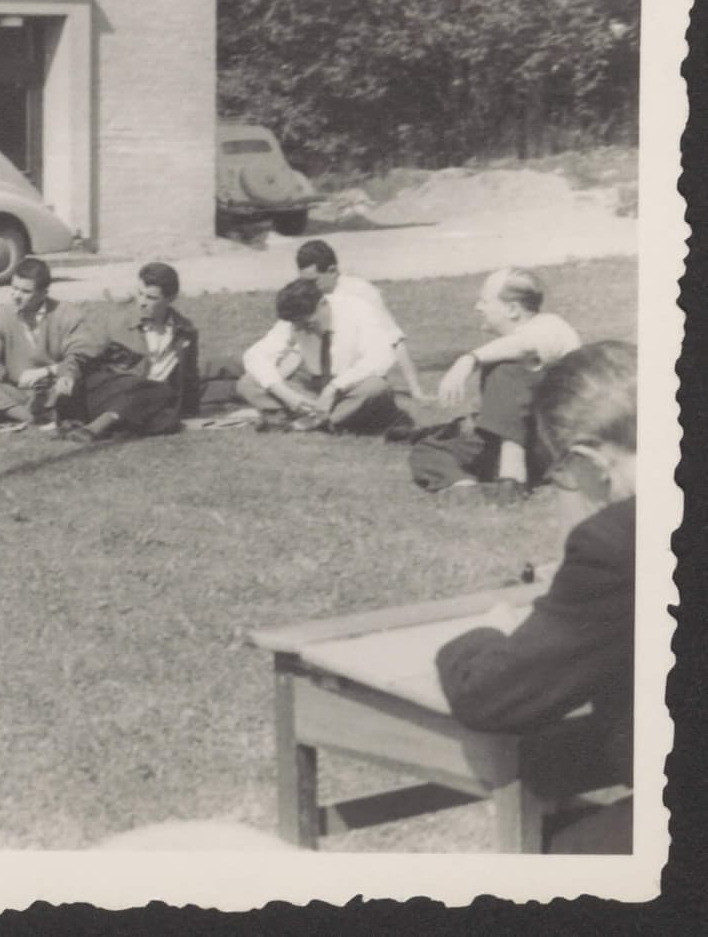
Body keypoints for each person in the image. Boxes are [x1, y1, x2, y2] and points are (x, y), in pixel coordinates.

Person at [435, 340, 636, 854]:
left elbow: (492, 695)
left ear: (590, 459)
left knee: (551, 856)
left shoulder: (616, 542)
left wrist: (487, 633)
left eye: (565, 474)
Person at [415, 267, 583, 506]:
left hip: (556, 443)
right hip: (524, 439)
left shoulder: (551, 326)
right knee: (429, 450)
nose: (478, 308)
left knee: (505, 368)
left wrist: (468, 359)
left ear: (512, 309)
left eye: (484, 301)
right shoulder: (511, 341)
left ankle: (511, 479)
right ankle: (466, 489)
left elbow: (525, 346)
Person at [239, 276, 401, 434]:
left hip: (349, 387)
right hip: (310, 387)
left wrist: (334, 387)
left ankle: (313, 420)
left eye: (309, 324)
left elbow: (381, 356)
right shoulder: (295, 318)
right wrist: (287, 395)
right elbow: (255, 355)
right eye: (299, 327)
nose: (305, 330)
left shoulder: (357, 309)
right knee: (248, 382)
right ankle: (323, 419)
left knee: (376, 388)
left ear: (322, 304)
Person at [58, 262, 195, 447]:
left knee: (168, 415)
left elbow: (189, 375)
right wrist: (67, 374)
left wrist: (191, 408)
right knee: (156, 391)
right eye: (139, 294)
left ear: (170, 298)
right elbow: (81, 352)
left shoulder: (185, 330)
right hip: (108, 390)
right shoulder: (116, 321)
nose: (142, 302)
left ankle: (114, 424)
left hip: (150, 397)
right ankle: (98, 426)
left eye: (151, 297)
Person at [0, 256, 100, 428]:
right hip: (18, 391)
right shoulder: (0, 317)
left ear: (43, 293)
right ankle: (32, 416)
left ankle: (16, 412)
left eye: (25, 291)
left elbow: (80, 353)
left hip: (56, 387)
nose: (16, 296)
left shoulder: (67, 314)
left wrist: (52, 372)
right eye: (14, 288)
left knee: (83, 384)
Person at [296, 239, 425, 399]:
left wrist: (416, 390)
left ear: (332, 270)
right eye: (304, 282)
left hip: (356, 374)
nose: (308, 288)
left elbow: (393, 339)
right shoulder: (305, 294)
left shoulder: (360, 291)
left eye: (313, 281)